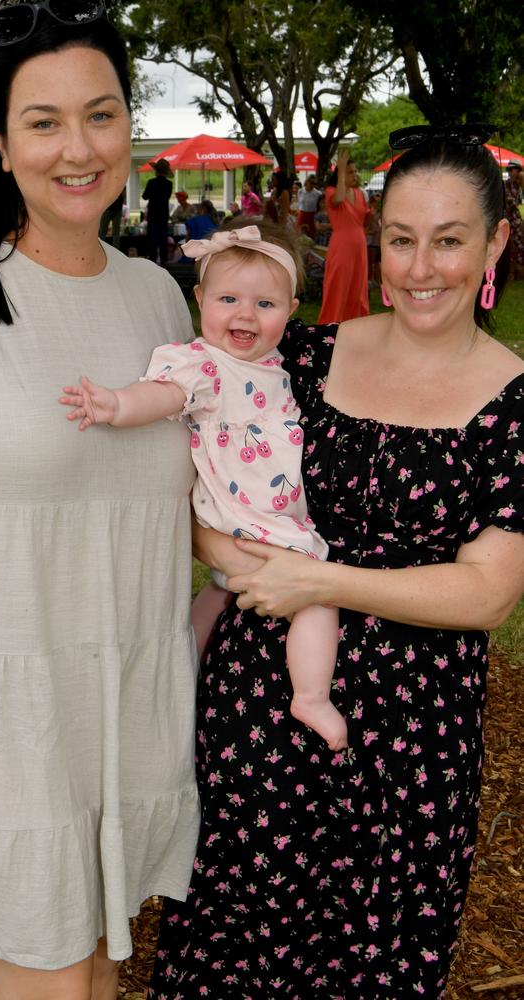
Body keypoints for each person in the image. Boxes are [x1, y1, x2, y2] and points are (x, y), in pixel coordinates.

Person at [148, 124, 524, 998]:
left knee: (368, 964)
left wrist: (318, 580)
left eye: (449, 240)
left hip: (407, 740)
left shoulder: (514, 405)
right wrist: (231, 556)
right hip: (260, 702)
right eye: (401, 240)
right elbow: (204, 483)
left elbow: (488, 593)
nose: (421, 267)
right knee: (232, 952)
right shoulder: (303, 358)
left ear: (496, 241)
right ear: (375, 240)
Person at [0, 5, 200, 1000]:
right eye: (44, 121)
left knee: (97, 977)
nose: (79, 148)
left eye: (100, 116)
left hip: (126, 716)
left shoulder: (159, 299)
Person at [59, 221, 346, 750]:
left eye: (266, 304)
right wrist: (118, 405)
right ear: (199, 300)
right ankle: (311, 694)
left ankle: (176, 679)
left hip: (260, 517)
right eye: (229, 298)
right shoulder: (206, 366)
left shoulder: (274, 367)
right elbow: (165, 395)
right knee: (317, 598)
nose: (245, 314)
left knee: (216, 595)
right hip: (255, 524)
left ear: (291, 310)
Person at [318, 148, 370, 323]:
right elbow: (339, 199)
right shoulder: (332, 192)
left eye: (355, 171)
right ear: (340, 173)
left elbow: (365, 219)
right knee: (338, 286)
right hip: (342, 245)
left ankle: (356, 324)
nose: (354, 174)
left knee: (358, 287)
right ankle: (331, 325)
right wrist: (340, 169)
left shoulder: (359, 194)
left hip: (359, 245)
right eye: (350, 172)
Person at [142, 158, 173, 264]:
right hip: (164, 214)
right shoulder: (169, 184)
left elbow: (145, 197)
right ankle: (164, 260)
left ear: (156, 171)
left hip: (153, 214)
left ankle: (152, 260)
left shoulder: (151, 182)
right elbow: (167, 197)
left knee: (153, 239)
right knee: (163, 239)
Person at [504, 160, 524, 279]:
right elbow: (509, 200)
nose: (512, 171)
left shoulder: (519, 183)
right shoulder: (505, 184)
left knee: (519, 243)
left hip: (515, 217)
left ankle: (517, 270)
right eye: (510, 169)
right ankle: (511, 272)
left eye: (515, 169)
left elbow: (515, 201)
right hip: (507, 217)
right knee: (509, 245)